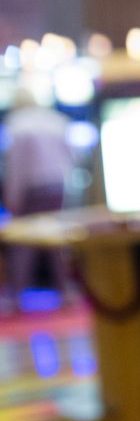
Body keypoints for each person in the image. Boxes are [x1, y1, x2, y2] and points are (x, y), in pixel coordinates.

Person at [2, 88, 75, 304]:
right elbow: (72, 158)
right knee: (56, 239)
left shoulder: (16, 125)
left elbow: (16, 168)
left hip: (31, 189)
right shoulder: (56, 121)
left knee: (24, 240)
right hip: (56, 187)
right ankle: (65, 290)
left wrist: (12, 198)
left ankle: (15, 295)